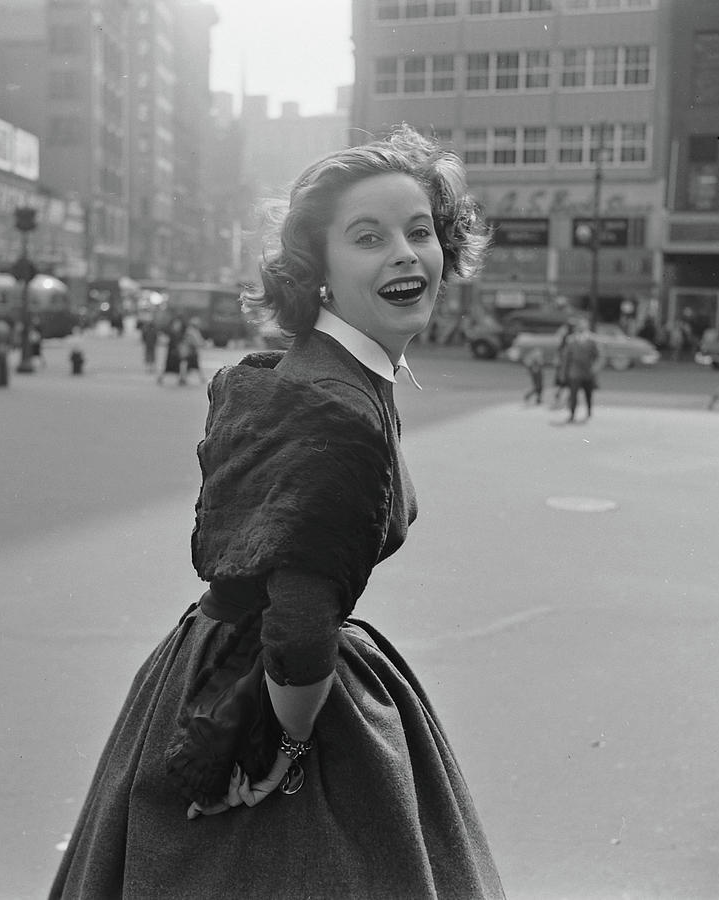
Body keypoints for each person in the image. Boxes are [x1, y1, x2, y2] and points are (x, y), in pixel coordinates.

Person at [50, 125, 504, 899]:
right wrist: (284, 750)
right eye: (369, 237)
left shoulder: (308, 373)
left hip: (210, 660)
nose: (405, 252)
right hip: (271, 690)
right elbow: (297, 620)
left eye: (421, 230)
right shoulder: (336, 402)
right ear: (318, 271)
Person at [563, 317, 604, 423]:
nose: (581, 327)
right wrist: (564, 372)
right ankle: (572, 414)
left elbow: (599, 356)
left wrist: (595, 368)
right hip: (574, 371)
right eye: (579, 325)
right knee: (573, 394)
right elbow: (567, 357)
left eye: (583, 325)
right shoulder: (571, 339)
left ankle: (589, 411)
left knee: (588, 394)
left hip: (588, 371)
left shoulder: (593, 339)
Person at [157, 316, 185, 385]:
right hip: (172, 353)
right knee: (168, 367)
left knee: (177, 367)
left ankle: (181, 379)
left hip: (176, 353)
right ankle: (161, 378)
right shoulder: (172, 333)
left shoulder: (178, 333)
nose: (178, 326)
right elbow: (170, 342)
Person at [181, 316, 207, 384]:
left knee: (190, 366)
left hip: (192, 351)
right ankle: (201, 378)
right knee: (194, 365)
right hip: (191, 351)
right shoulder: (191, 331)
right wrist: (202, 344)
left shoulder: (193, 331)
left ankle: (183, 378)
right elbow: (195, 341)